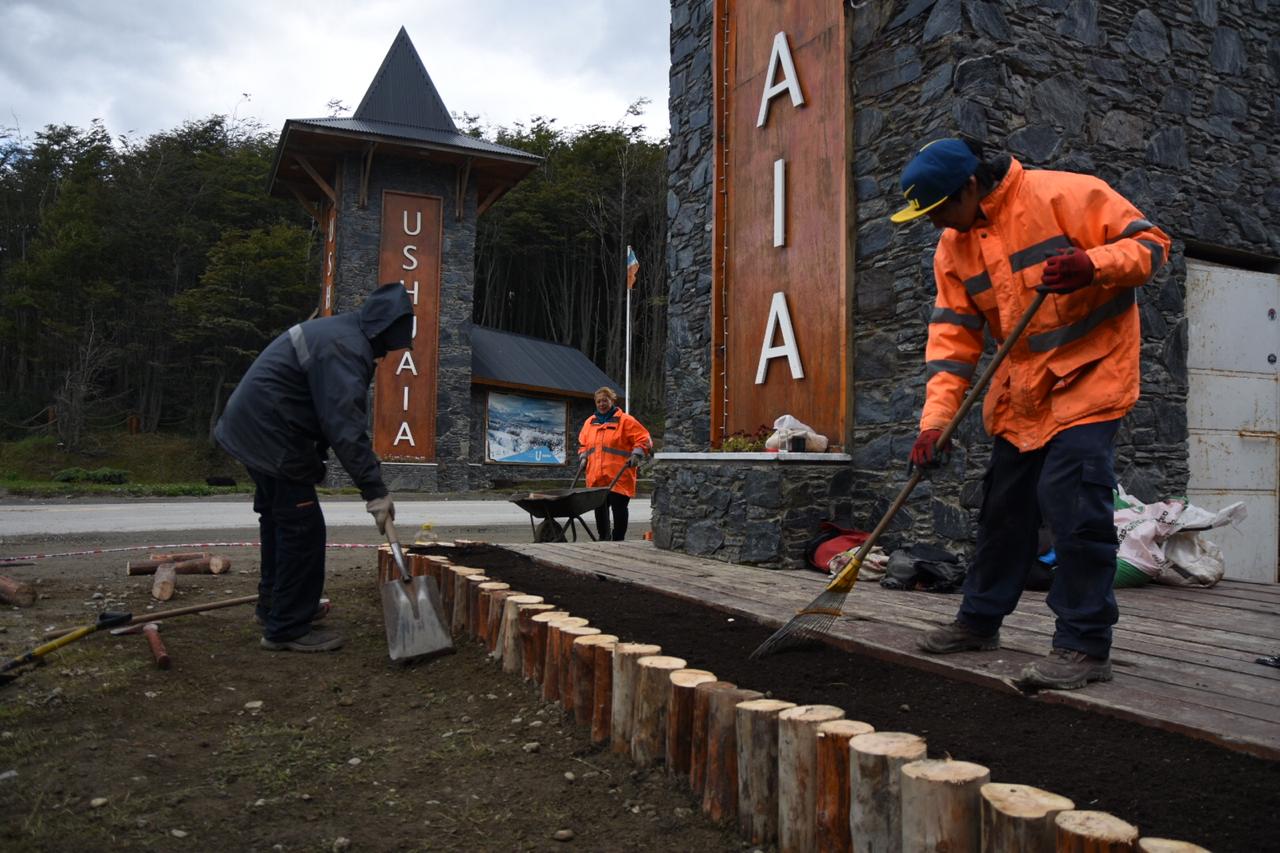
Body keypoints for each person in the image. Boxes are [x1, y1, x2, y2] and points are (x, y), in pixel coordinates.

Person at [889, 137, 1171, 689]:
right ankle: (978, 622)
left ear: (971, 185)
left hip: (1092, 378)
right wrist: (934, 423)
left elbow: (1152, 246)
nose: (936, 223)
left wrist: (1094, 264)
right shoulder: (953, 247)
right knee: (1003, 510)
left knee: (1073, 505)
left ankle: (1085, 646)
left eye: (940, 207)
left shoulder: (1067, 194)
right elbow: (952, 344)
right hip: (1023, 396)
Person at [214, 283, 414, 652]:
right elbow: (344, 428)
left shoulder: (340, 333)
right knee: (302, 531)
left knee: (280, 522)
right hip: (272, 436)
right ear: (382, 330)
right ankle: (287, 628)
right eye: (389, 345)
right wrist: (374, 491)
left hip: (253, 429)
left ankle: (275, 607)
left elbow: (330, 416)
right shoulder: (344, 349)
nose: (387, 354)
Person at [577, 387, 652, 541]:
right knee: (600, 510)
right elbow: (583, 444)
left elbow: (644, 438)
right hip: (596, 476)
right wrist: (583, 456)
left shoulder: (625, 420)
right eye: (598, 401)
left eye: (605, 400)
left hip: (619, 476)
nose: (602, 404)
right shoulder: (590, 422)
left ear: (612, 401)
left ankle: (618, 539)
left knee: (619, 509)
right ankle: (603, 538)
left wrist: (637, 454)